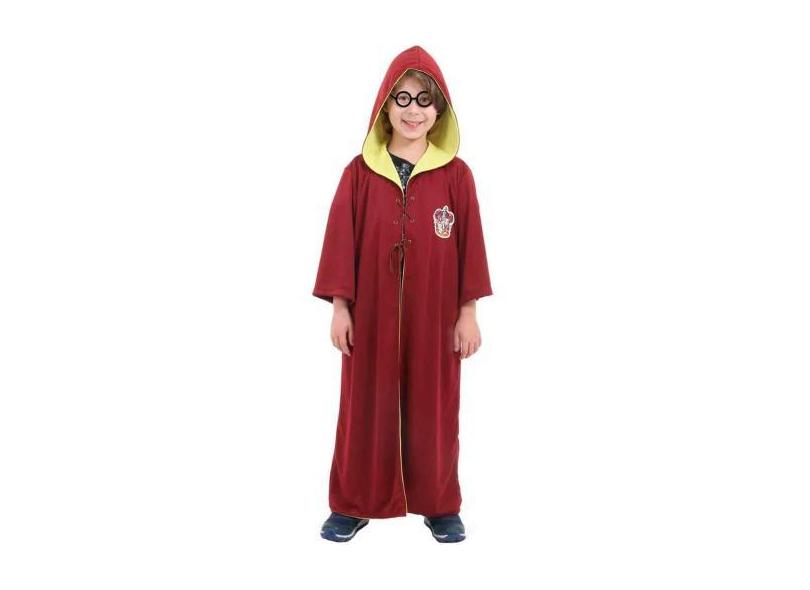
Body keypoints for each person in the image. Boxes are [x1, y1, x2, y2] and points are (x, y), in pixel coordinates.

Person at [313, 45, 493, 543]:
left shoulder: (457, 176)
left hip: (435, 315)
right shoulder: (359, 174)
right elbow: (340, 241)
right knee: (364, 406)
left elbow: (470, 246)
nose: (414, 110)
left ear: (440, 110)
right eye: (404, 98)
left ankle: (439, 504)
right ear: (385, 105)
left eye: (425, 100)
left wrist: (468, 313)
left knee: (435, 407)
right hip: (370, 315)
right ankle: (353, 503)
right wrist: (340, 308)